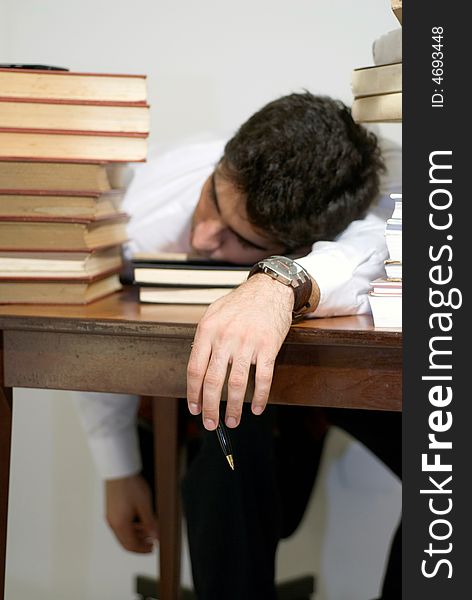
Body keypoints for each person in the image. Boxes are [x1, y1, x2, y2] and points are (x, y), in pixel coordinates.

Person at [74, 92, 401, 599]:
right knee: (234, 420)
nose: (204, 238)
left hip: (301, 393)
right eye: (211, 199)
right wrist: (117, 470)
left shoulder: (365, 199)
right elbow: (102, 332)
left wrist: (277, 283)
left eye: (239, 238)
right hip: (182, 399)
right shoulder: (146, 214)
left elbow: (375, 246)